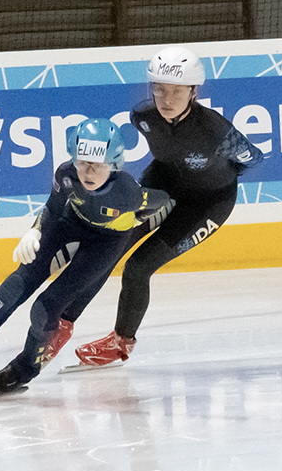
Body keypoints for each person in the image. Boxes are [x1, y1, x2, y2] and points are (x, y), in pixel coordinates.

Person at [0, 116, 171, 398]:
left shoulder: (127, 192)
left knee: (46, 307)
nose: (88, 172)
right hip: (70, 222)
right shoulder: (66, 174)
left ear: (114, 164)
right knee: (11, 289)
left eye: (97, 164)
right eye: (82, 162)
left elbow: (161, 199)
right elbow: (52, 207)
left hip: (107, 242)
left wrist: (138, 219)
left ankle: (26, 367)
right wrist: (34, 231)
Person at [63, 45, 261, 369]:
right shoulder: (143, 117)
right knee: (111, 244)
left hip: (208, 203)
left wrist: (223, 173)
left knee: (138, 267)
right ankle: (63, 321)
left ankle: (121, 342)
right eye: (160, 89)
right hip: (163, 185)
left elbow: (253, 158)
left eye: (177, 91)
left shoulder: (216, 131)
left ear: (193, 91)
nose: (167, 99)